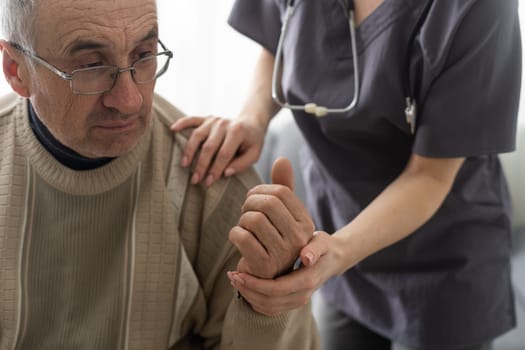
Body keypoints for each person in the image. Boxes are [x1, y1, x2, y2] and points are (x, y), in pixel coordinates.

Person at [171, 0, 522, 349]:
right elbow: (276, 41)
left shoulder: (479, 8)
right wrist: (253, 119)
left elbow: (429, 176)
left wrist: (336, 253)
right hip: (339, 245)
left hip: (443, 265)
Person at [0, 0, 320, 349]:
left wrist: (266, 306)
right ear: (17, 69)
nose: (130, 99)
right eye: (91, 66)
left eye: (143, 55)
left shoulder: (215, 187)